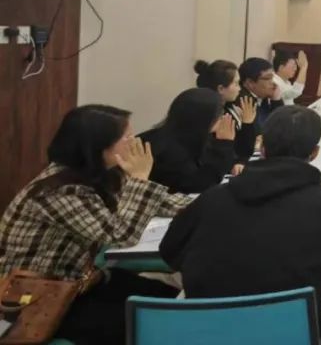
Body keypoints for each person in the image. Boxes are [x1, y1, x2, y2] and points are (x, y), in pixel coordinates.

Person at [160, 106, 321, 342]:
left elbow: (170, 251)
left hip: (210, 332)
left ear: (262, 147)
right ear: (315, 153)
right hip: (294, 332)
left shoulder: (211, 199)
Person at [0, 105, 190, 345]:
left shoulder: (101, 174)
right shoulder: (61, 190)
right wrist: (141, 181)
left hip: (79, 281)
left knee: (165, 294)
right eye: (126, 138)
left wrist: (215, 201)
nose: (134, 143)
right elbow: (120, 236)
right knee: (138, 321)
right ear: (98, 146)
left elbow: (164, 203)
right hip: (36, 295)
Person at [141, 88, 238, 194]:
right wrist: (224, 145)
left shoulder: (193, 135)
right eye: (219, 115)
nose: (222, 118)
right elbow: (199, 184)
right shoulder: (167, 149)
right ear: (203, 119)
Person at [194, 59, 259, 163]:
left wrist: (247, 124)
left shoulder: (231, 108)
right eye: (236, 83)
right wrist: (247, 125)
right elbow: (237, 152)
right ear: (221, 89)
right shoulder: (208, 116)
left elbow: (245, 152)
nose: (239, 88)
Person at [238, 57, 283, 132]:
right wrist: (277, 101)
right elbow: (274, 130)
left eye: (273, 78)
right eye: (268, 78)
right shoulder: (244, 102)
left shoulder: (262, 98)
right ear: (250, 83)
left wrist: (276, 100)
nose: (274, 83)